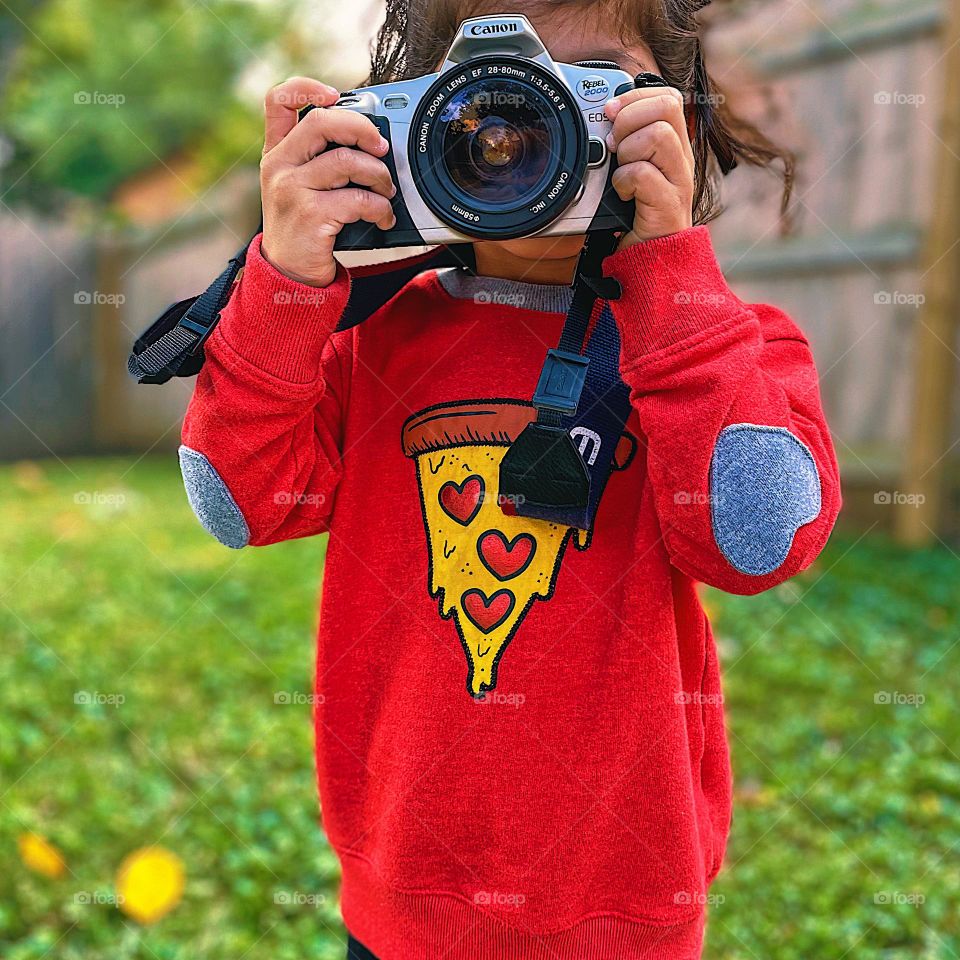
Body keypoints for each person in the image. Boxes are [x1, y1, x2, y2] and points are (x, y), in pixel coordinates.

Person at [178, 1, 841, 956]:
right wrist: (284, 279)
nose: (527, 129)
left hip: (628, 915)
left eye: (587, 89)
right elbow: (235, 501)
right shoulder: (374, 339)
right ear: (403, 128)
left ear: (678, 119)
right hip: (399, 906)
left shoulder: (729, 344)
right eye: (492, 105)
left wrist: (671, 287)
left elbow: (756, 541)